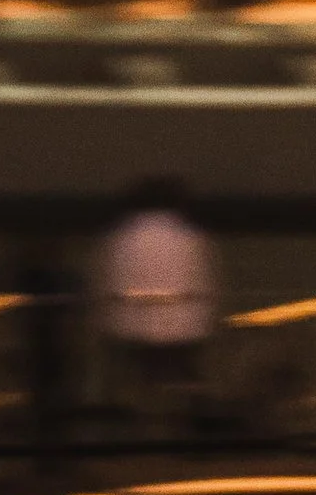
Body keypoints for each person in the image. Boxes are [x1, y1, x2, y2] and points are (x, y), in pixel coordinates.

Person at [92, 176, 220, 418]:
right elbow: (202, 283)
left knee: (132, 384)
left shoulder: (121, 237)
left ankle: (129, 433)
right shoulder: (191, 236)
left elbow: (109, 284)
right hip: (184, 327)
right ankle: (192, 436)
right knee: (186, 383)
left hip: (130, 326)